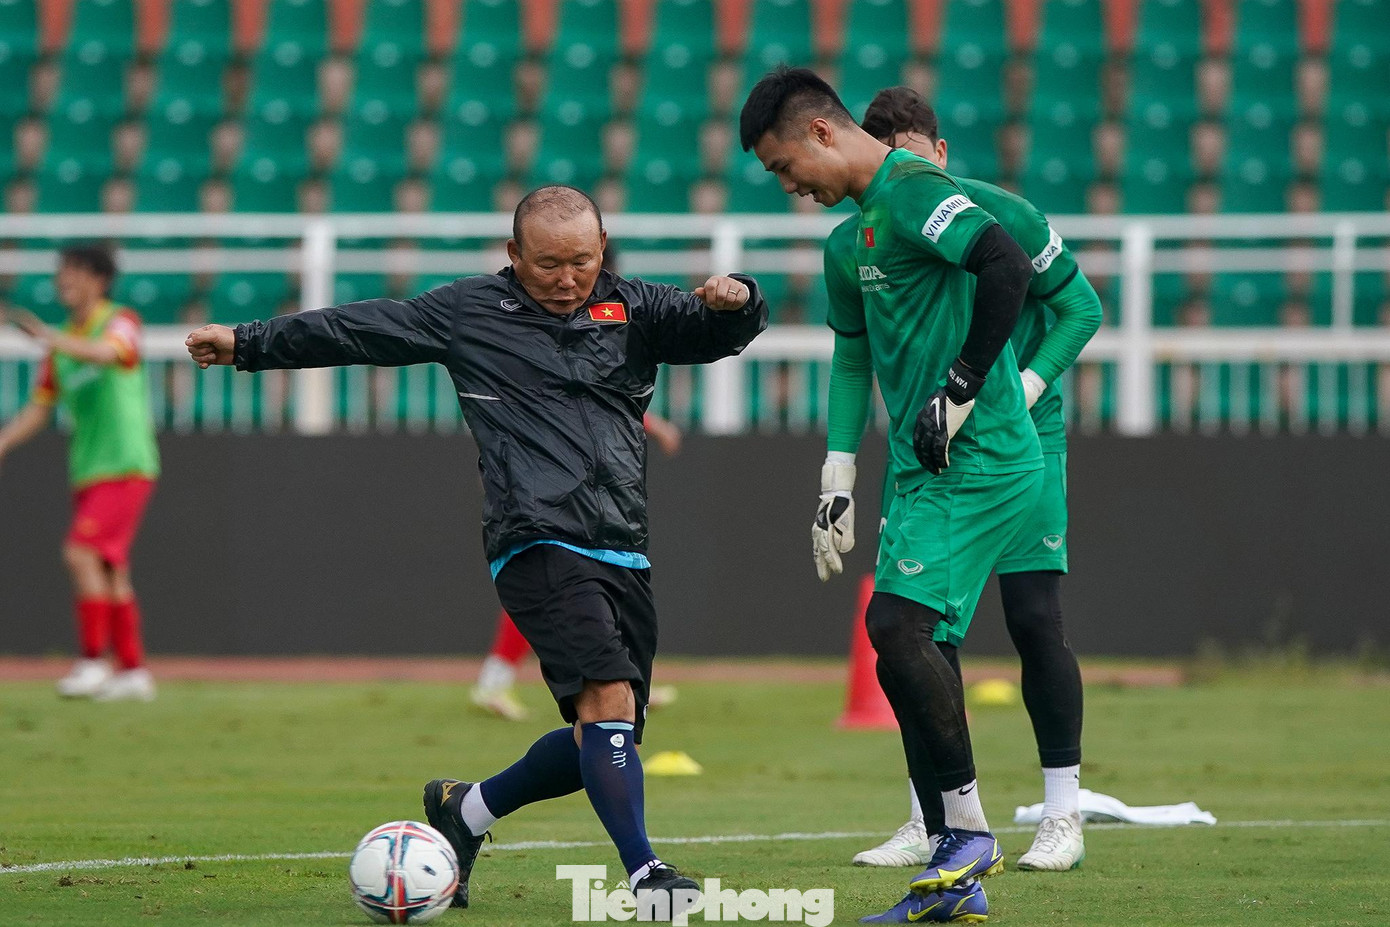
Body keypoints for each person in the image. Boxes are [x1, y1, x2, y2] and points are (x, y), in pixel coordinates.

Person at [185, 185, 767, 919]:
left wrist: (739, 297)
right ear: (512, 254)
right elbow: (360, 328)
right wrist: (248, 343)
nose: (567, 279)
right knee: (608, 698)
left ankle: (467, 810)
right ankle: (646, 872)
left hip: (623, 544)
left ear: (603, 248)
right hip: (535, 537)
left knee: (605, 734)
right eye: (549, 263)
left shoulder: (636, 306)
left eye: (582, 262)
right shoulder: (468, 312)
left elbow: (721, 333)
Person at [741, 68, 1041, 923]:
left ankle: (961, 839)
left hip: (981, 456)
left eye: (782, 166)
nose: (787, 185)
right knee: (914, 641)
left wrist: (964, 384)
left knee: (895, 624)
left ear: (823, 134)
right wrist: (837, 479)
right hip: (919, 470)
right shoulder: (847, 244)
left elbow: (1005, 262)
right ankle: (961, 861)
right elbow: (850, 358)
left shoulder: (915, 193)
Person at [848, 87, 1102, 876]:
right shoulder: (878, 228)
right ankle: (938, 817)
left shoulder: (1003, 216)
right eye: (893, 162)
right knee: (923, 631)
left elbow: (1082, 308)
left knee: (1033, 615)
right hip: (933, 447)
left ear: (941, 152)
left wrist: (1021, 390)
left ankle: (1063, 811)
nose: (909, 174)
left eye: (918, 158)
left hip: (1018, 440)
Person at [471, 241, 684, 721]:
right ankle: (509, 681)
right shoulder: (545, 322)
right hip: (543, 480)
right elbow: (578, 394)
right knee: (559, 578)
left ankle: (615, 676)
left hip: (565, 479)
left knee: (570, 582)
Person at [0, 244, 160, 702]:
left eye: (73, 271)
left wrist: (51, 339)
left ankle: (93, 660)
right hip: (89, 467)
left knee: (80, 553)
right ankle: (132, 672)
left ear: (99, 279)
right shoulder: (61, 345)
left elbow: (112, 355)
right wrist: (5, 441)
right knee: (111, 569)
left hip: (126, 461)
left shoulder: (119, 319)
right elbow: (40, 406)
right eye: (61, 272)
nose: (63, 280)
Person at [471, 409, 681, 721]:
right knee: (554, 585)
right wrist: (655, 425)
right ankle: (620, 682)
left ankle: (625, 681)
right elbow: (592, 392)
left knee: (565, 587)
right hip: (545, 489)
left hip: (557, 483)